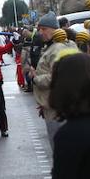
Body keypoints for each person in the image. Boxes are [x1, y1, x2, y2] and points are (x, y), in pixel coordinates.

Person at [32, 13, 78, 148]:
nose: (41, 32)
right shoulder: (60, 45)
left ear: (55, 29)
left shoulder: (57, 48)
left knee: (60, 149)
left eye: (44, 29)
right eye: (39, 29)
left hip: (57, 107)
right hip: (57, 105)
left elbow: (57, 77)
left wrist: (36, 78)